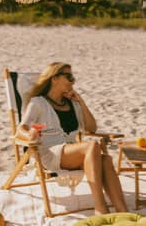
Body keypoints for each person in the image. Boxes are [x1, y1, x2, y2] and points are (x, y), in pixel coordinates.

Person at [17, 62, 127, 215]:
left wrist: (81, 102)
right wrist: (30, 135)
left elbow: (90, 129)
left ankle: (123, 211)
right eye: (69, 77)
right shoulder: (38, 102)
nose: (73, 81)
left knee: (105, 160)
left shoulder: (72, 104)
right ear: (54, 78)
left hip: (72, 153)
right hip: (50, 154)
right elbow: (21, 128)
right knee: (92, 146)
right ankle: (100, 208)